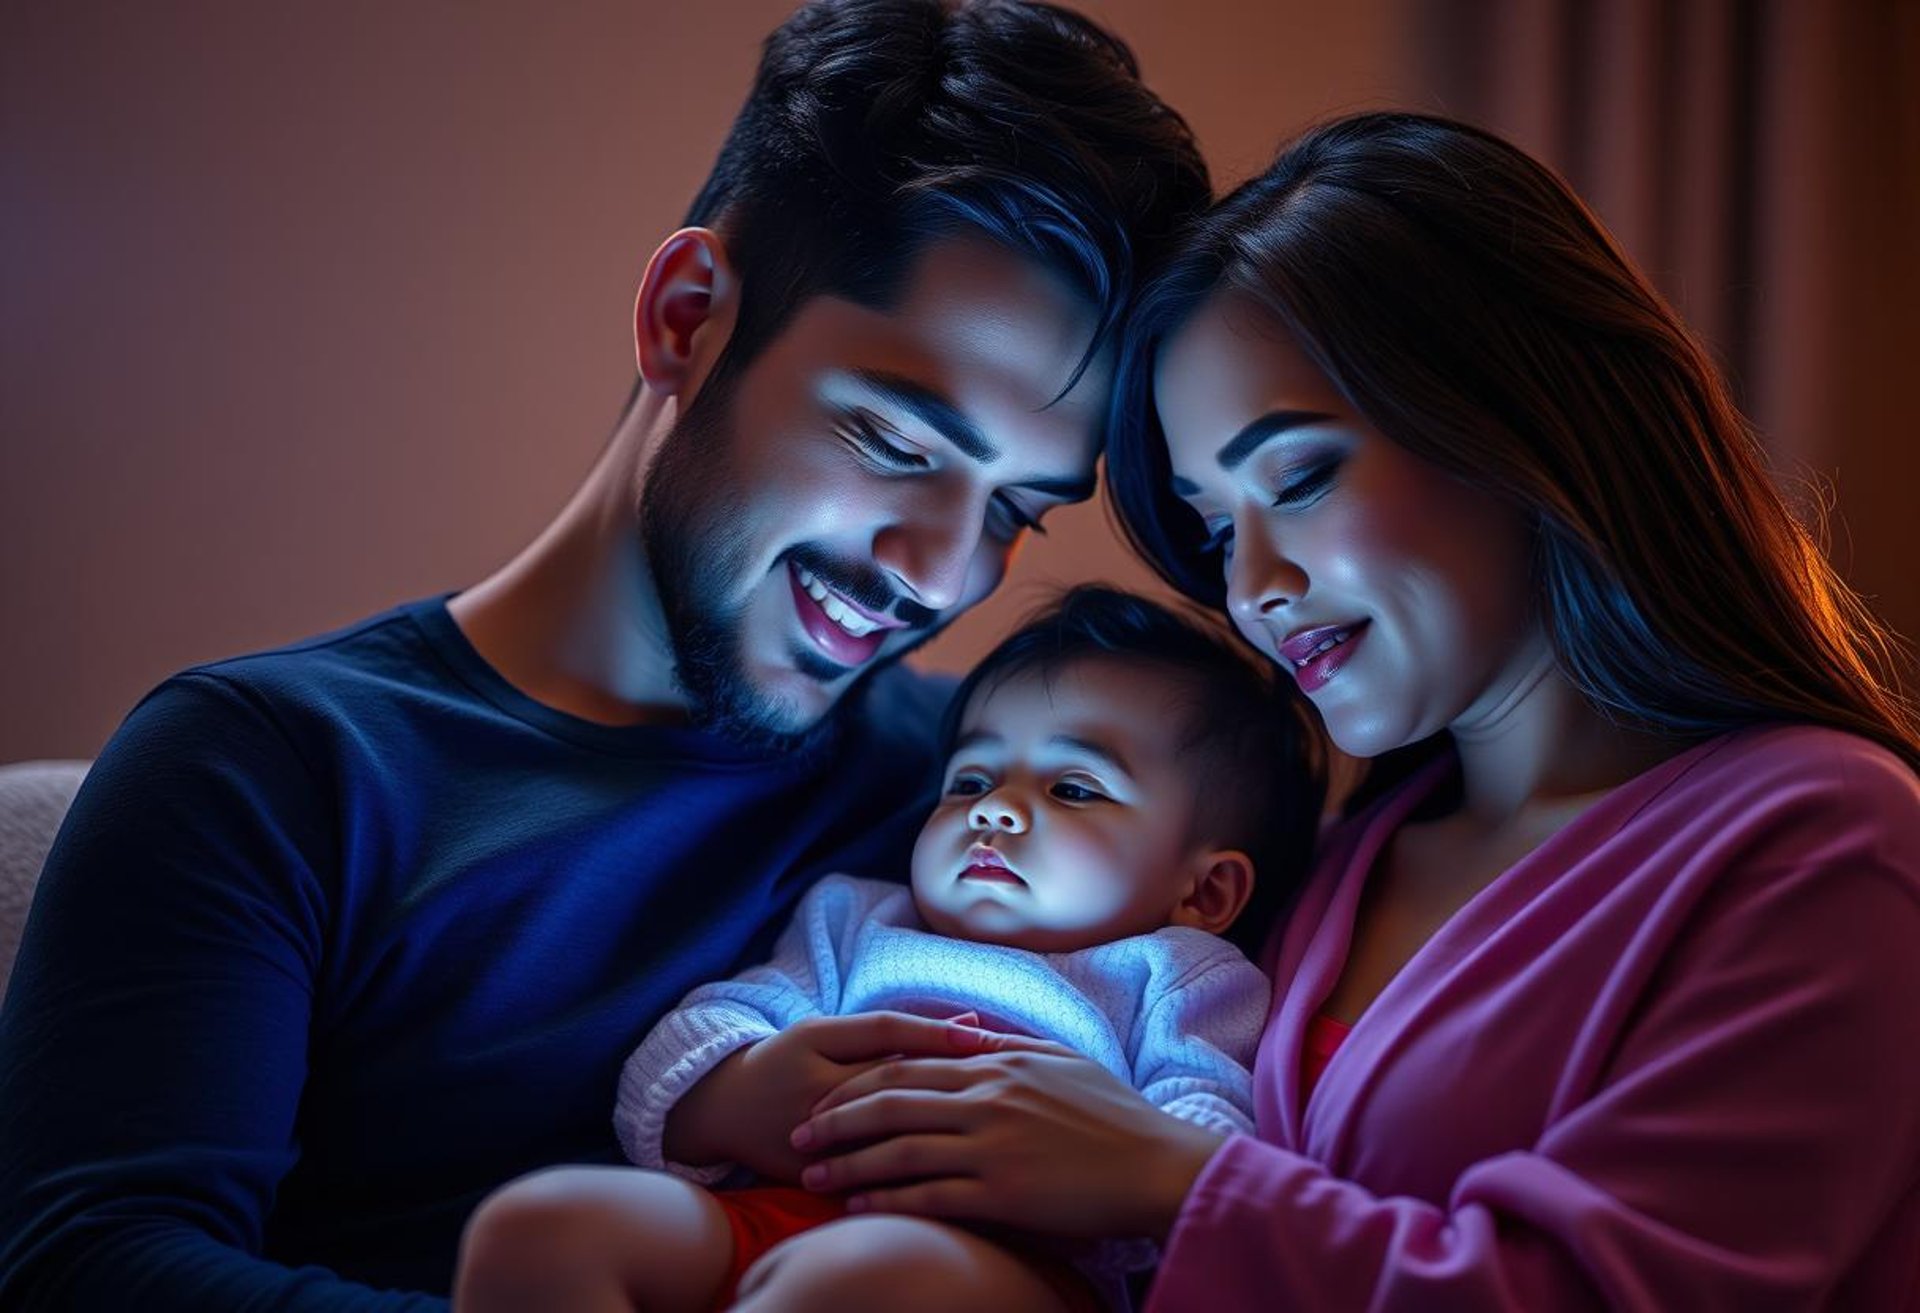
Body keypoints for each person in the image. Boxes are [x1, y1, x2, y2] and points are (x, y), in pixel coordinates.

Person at [0, 4, 1210, 1308]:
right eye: (899, 445)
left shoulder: (981, 789)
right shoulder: (267, 767)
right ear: (689, 317)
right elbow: (92, 1267)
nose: (941, 571)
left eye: (1015, 511)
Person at [742, 112, 1920, 1310]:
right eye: (1213, 529)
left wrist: (1173, 1181)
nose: (1252, 585)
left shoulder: (1826, 838)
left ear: (1517, 415)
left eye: (1298, 477)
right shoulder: (1343, 850)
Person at [451, 586, 1322, 1312]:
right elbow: (696, 1036)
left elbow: (1209, 1140)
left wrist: (1115, 1160)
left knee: (852, 1280)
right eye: (972, 779)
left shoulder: (1177, 976)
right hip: (777, 1210)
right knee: (542, 1223)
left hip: (1013, 1270)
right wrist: (735, 1089)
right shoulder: (857, 921)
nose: (996, 808)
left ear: (1204, 891)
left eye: (1074, 787)